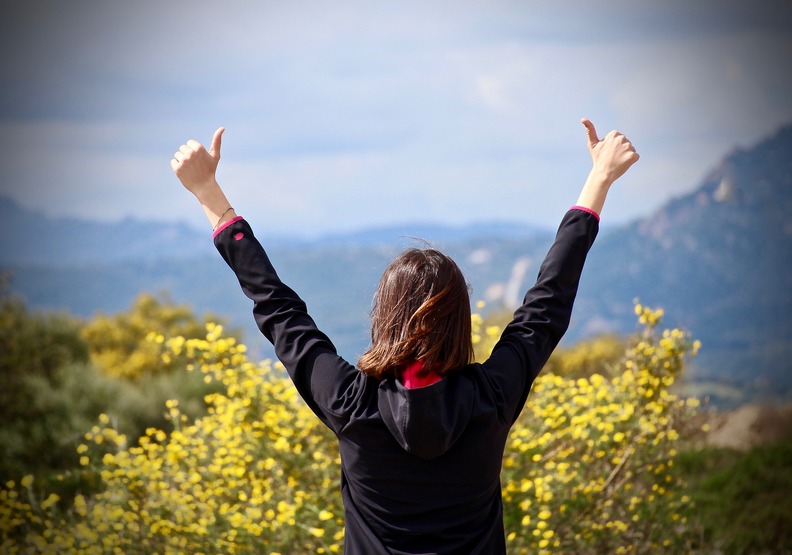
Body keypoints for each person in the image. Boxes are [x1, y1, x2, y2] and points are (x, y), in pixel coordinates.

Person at [171, 119, 639, 554]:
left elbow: (277, 308)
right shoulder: (490, 397)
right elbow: (548, 304)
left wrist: (208, 192)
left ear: (384, 315)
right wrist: (598, 181)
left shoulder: (349, 401)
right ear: (461, 320)